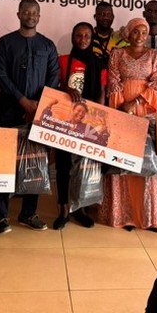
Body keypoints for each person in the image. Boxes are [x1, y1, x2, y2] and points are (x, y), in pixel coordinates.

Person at [0, 0, 59, 234]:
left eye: (34, 13)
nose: (30, 16)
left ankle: (28, 213)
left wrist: (38, 105)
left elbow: (53, 77)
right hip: (8, 112)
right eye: (26, 12)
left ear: (39, 16)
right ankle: (1, 216)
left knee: (35, 164)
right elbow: (0, 74)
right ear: (18, 14)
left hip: (38, 114)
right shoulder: (5, 42)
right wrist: (22, 100)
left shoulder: (48, 45)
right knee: (3, 163)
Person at [97, 17, 157, 231]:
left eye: (144, 32)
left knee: (147, 162)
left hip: (147, 112)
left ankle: (144, 217)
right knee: (122, 162)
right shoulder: (117, 54)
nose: (140, 36)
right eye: (136, 31)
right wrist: (122, 110)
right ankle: (122, 215)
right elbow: (113, 81)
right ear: (128, 33)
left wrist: (135, 103)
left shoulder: (155, 55)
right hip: (121, 112)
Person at [54, 21, 107, 230]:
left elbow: (102, 91)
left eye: (87, 36)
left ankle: (80, 209)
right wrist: (66, 89)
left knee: (83, 165)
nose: (82, 40)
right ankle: (63, 210)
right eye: (78, 35)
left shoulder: (99, 63)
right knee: (63, 165)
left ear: (92, 38)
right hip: (65, 121)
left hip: (89, 122)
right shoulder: (63, 60)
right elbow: (54, 85)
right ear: (72, 38)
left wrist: (96, 116)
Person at [91, 1, 128, 69]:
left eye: (109, 14)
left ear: (113, 17)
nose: (105, 17)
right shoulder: (87, 38)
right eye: (102, 14)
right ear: (95, 17)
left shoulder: (122, 39)